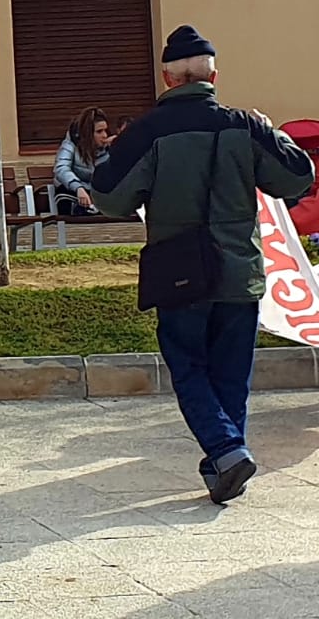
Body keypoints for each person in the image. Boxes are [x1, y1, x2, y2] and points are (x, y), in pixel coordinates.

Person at [93, 26, 313, 504]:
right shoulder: (244, 125)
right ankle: (225, 463)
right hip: (240, 270)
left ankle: (226, 450)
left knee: (189, 366)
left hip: (179, 271)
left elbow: (108, 196)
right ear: (214, 74)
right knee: (231, 373)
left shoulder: (149, 130)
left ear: (168, 79)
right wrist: (271, 131)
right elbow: (298, 179)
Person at [53, 106, 111, 216]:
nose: (105, 135)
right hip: (74, 192)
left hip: (96, 193)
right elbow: (61, 168)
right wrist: (78, 188)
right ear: (88, 133)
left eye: (106, 131)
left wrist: (118, 149)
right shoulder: (70, 144)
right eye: (99, 131)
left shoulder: (107, 149)